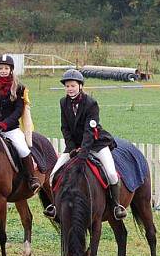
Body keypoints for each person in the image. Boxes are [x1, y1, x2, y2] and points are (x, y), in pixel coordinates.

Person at [44, 69, 126, 220]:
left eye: (73, 85)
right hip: (74, 145)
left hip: (95, 144)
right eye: (67, 86)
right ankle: (55, 206)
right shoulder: (63, 102)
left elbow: (90, 131)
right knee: (53, 175)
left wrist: (83, 152)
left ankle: (116, 206)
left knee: (111, 174)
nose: (70, 89)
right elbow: (65, 128)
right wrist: (72, 148)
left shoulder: (90, 103)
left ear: (80, 86)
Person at [0, 54, 40, 192]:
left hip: (11, 129)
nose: (3, 70)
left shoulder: (19, 87)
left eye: (6, 68)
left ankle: (31, 179)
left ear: (11, 69)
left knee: (23, 150)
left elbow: (18, 110)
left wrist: (5, 124)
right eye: (1, 68)